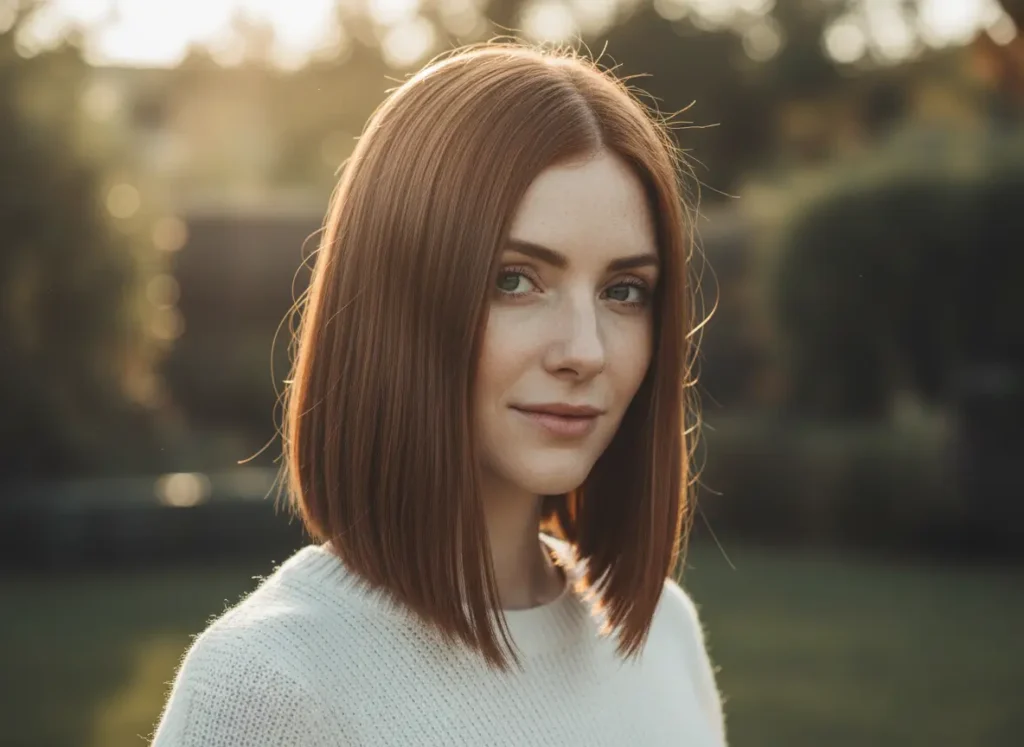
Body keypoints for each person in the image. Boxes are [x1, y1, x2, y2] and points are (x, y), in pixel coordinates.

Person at [150, 41, 726, 747]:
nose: (585, 350)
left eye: (624, 290)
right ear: (397, 301)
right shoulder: (270, 686)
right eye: (515, 280)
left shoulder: (666, 636)